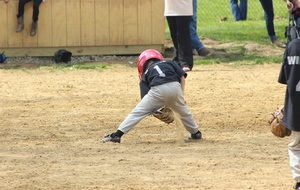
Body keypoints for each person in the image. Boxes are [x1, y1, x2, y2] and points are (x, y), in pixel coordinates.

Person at [102, 49, 202, 143]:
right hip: (175, 86)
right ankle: (196, 133)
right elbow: (182, 77)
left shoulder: (146, 73)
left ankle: (117, 135)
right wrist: (181, 96)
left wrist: (153, 110)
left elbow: (145, 100)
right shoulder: (169, 62)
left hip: (158, 90)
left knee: (138, 112)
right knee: (184, 113)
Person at [278, 38, 300, 190]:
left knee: (296, 146)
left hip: (296, 105)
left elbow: (285, 79)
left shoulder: (292, 46)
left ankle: (299, 181)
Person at [164, 0, 194, 72]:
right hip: (170, 9)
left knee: (183, 36)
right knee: (174, 36)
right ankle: (176, 62)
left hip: (183, 9)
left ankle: (186, 62)